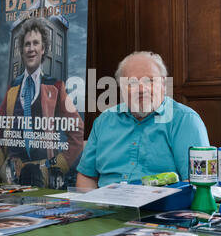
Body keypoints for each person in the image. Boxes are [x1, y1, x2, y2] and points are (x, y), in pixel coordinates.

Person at [76, 51, 210, 188]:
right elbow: (86, 176)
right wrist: (92, 207)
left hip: (161, 207)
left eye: (149, 81)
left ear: (163, 85)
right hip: (105, 207)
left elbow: (197, 183)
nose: (141, 89)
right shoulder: (104, 121)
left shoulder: (185, 120)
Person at [0, 17, 84, 188]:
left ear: (43, 49)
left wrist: (57, 166)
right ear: (21, 50)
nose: (31, 49)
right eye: (27, 44)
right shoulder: (13, 88)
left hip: (43, 178)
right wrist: (2, 167)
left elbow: (77, 132)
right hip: (13, 179)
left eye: (36, 43)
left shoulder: (56, 87)